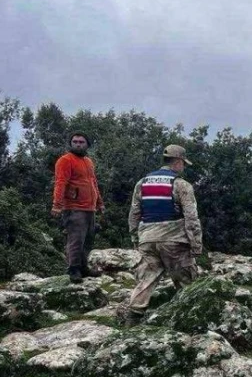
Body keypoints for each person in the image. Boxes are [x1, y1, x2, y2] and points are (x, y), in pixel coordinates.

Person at [122, 144, 203, 326]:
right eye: (183, 163)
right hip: (174, 239)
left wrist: (136, 238)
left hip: (147, 238)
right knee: (185, 281)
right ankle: (189, 321)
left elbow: (134, 213)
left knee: (147, 279)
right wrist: (196, 245)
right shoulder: (181, 184)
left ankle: (132, 318)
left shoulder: (142, 183)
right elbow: (191, 218)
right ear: (177, 162)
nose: (183, 167)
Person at [51, 132, 105, 283]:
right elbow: (60, 183)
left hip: (90, 208)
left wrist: (100, 203)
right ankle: (73, 270)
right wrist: (57, 205)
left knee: (87, 240)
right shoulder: (65, 160)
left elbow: (93, 183)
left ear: (87, 144)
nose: (78, 144)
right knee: (75, 240)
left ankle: (83, 267)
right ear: (71, 144)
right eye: (75, 142)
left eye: (81, 142)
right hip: (74, 208)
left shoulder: (88, 161)